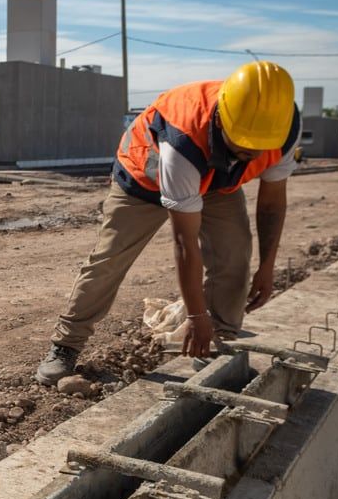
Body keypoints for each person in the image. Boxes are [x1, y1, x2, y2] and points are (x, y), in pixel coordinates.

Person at [34, 61, 299, 385]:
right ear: (221, 117)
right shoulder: (182, 141)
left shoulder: (280, 126)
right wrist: (195, 315)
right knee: (109, 260)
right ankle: (66, 345)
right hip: (142, 181)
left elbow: (272, 203)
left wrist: (268, 266)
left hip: (217, 182)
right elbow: (185, 244)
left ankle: (218, 340)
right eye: (240, 144)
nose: (248, 153)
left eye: (256, 149)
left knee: (234, 253)